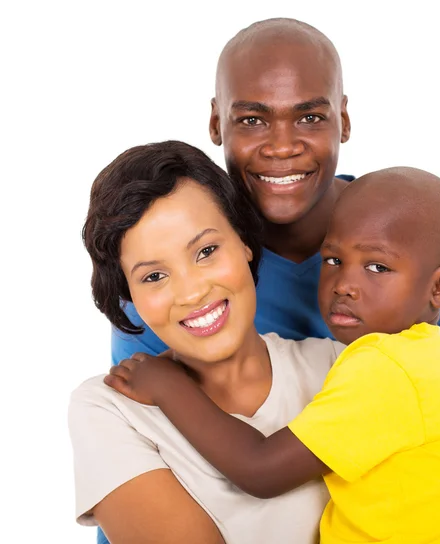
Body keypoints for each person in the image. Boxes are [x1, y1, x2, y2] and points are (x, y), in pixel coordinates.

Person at [110, 18, 440, 544]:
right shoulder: (167, 281)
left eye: (310, 116)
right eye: (251, 119)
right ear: (215, 123)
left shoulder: (421, 258)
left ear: (342, 119)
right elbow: (139, 462)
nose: (282, 146)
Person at [107, 166, 440, 543]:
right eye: (333, 261)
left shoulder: (393, 370)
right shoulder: (438, 360)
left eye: (377, 266)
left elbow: (260, 470)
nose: (344, 284)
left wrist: (168, 386)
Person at [69, 140, 347, 544]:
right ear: (130, 297)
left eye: (206, 251)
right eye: (153, 276)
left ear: (246, 243)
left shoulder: (344, 369)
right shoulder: (110, 409)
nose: (192, 292)